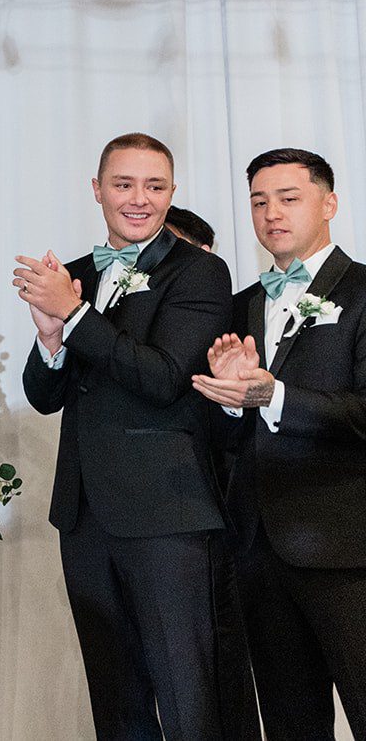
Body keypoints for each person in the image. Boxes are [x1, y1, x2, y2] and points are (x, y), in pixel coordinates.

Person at [15, 133, 257, 739]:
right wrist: (50, 341)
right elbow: (45, 397)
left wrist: (72, 317)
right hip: (85, 514)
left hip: (167, 515)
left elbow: (166, 377)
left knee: (186, 694)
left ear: (172, 193)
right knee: (115, 696)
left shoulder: (200, 272)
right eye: (123, 184)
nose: (139, 199)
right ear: (97, 190)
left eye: (154, 186)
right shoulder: (71, 276)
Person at [192, 148, 366, 738]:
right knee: (291, 724)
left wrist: (276, 396)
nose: (272, 214)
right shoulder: (239, 305)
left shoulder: (364, 292)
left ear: (329, 203)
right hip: (257, 548)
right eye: (259, 202)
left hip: (347, 550)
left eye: (289, 198)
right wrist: (229, 400)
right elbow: (225, 438)